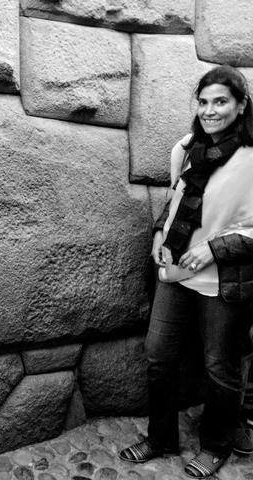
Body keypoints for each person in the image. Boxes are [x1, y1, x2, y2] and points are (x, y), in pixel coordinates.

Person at [119, 65, 253, 478]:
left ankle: (216, 445)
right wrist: (160, 233)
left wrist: (214, 249)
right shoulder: (185, 148)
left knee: (219, 367)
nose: (210, 110)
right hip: (175, 273)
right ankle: (160, 438)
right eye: (204, 101)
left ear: (241, 105)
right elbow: (174, 204)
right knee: (158, 356)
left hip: (223, 282)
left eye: (221, 101)